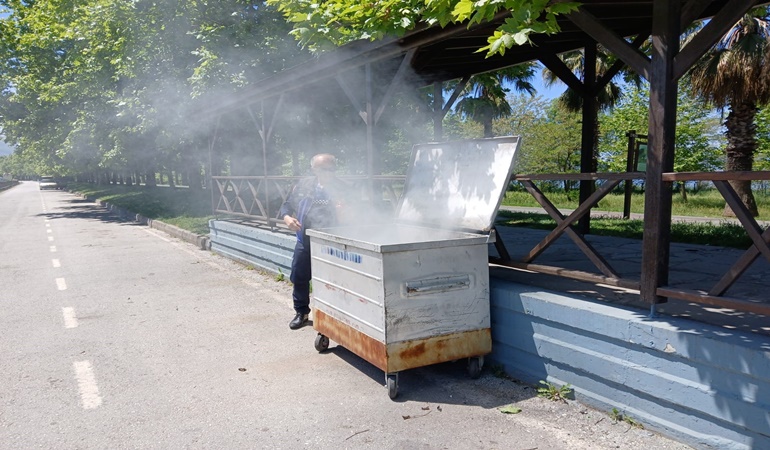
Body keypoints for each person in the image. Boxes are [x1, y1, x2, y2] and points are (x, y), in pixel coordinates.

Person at [279, 153, 349, 329]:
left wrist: (346, 212)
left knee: (334, 279)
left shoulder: (344, 188)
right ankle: (301, 312)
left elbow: (358, 213)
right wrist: (287, 218)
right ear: (314, 169)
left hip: (333, 240)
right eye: (323, 169)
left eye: (331, 169)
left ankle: (336, 315)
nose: (328, 172)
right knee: (299, 276)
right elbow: (287, 205)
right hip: (305, 238)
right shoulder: (304, 186)